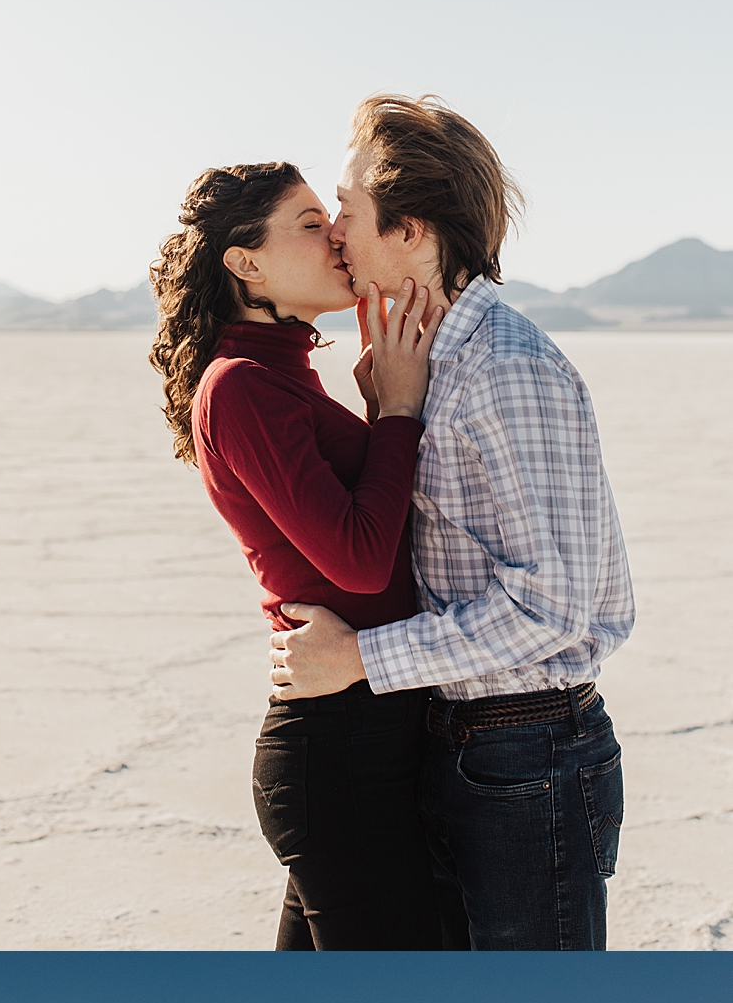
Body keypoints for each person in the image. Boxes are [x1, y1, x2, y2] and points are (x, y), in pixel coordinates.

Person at [272, 97, 634, 951]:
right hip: (457, 744)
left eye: (347, 211)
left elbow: (551, 608)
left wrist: (360, 658)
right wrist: (387, 413)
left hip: (530, 759)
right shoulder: (433, 361)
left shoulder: (507, 369)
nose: (335, 236)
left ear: (411, 230)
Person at [149, 162, 446, 949]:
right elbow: (360, 561)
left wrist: (381, 412)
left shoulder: (284, 376)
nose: (337, 238)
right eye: (311, 225)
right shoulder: (241, 385)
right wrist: (398, 412)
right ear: (245, 263)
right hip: (341, 751)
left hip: (364, 737)